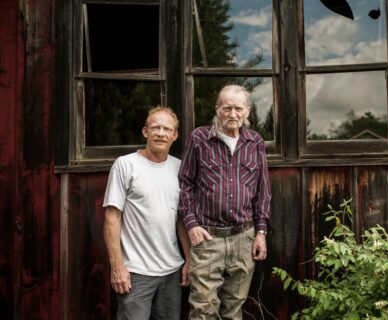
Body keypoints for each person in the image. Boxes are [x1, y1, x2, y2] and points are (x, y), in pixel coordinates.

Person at [178, 85, 272, 319]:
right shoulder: (199, 138)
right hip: (208, 239)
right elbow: (185, 183)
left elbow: (263, 192)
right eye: (227, 108)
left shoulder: (255, 142)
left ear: (247, 111)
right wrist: (191, 225)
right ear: (217, 109)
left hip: (244, 238)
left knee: (234, 309)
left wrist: (260, 233)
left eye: (238, 108)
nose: (233, 114)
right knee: (203, 308)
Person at [103, 106, 190, 320]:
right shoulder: (126, 165)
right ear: (145, 131)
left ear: (175, 135)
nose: (161, 133)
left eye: (167, 129)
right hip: (135, 272)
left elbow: (180, 218)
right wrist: (117, 267)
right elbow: (112, 217)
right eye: (155, 127)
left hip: (172, 272)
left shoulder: (179, 168)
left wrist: (189, 259)